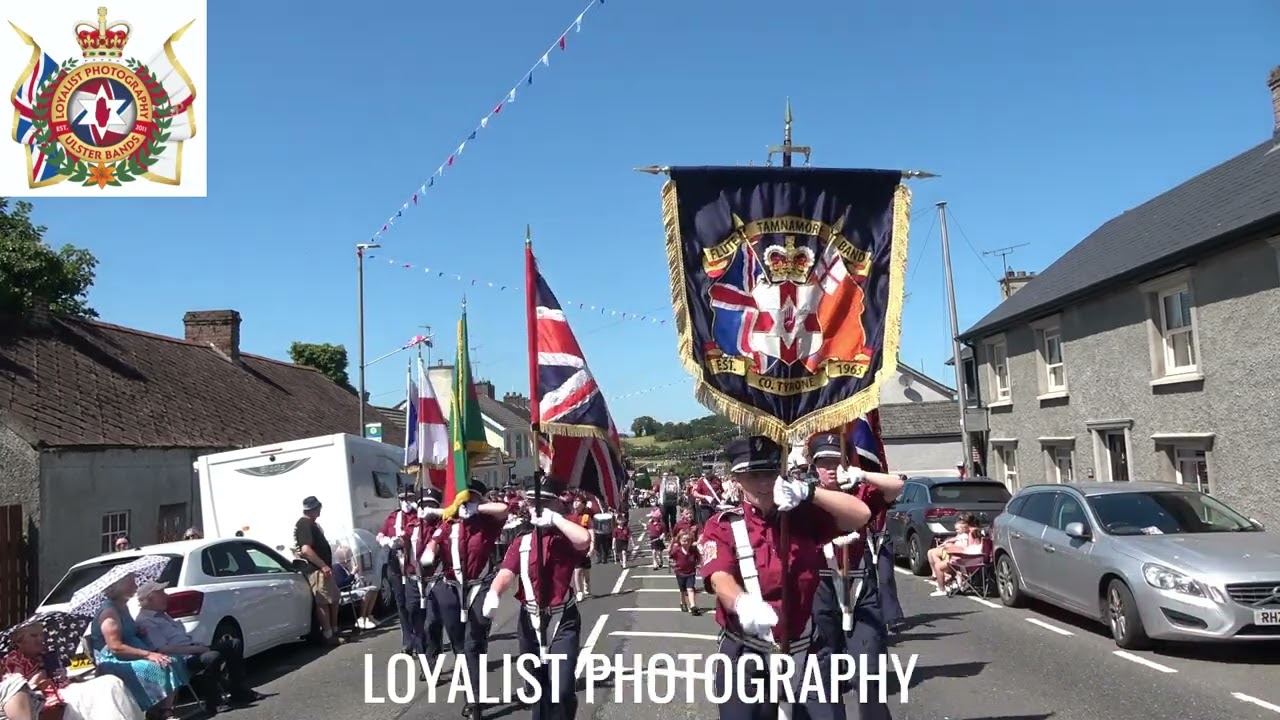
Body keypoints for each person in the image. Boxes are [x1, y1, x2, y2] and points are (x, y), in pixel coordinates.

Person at [699, 436, 872, 720]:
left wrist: (808, 491)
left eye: (769, 474)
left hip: (806, 650)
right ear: (737, 480)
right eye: (753, 476)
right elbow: (720, 578)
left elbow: (860, 515)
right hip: (747, 651)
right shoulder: (723, 525)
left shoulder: (801, 516)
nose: (764, 484)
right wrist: (742, 603)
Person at [805, 431, 905, 720]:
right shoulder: (804, 497)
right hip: (820, 588)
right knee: (825, 677)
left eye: (837, 460)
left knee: (869, 675)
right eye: (823, 462)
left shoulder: (859, 491)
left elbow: (897, 485)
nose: (830, 468)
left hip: (860, 587)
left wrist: (862, 475)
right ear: (813, 466)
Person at [483, 475, 591, 720]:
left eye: (543, 502)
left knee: (562, 689)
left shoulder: (565, 532)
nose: (535, 507)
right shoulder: (522, 539)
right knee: (536, 688)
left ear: (556, 504)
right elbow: (507, 572)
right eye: (532, 502)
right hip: (529, 620)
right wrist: (494, 593)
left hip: (562, 618)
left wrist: (556, 519)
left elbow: (584, 540)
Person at [421, 479, 508, 720]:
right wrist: (430, 553)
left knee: (472, 643)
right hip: (450, 589)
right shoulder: (450, 523)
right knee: (460, 646)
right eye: (464, 498)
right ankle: (471, 687)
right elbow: (434, 543)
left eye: (472, 498)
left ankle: (474, 701)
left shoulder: (487, 523)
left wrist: (478, 508)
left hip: (479, 588)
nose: (466, 502)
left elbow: (504, 510)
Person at [134, 580, 263, 713]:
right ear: (149, 599)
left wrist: (197, 646)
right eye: (161, 594)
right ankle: (213, 702)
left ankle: (238, 691)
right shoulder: (146, 621)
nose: (165, 596)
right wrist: (198, 649)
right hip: (181, 658)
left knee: (234, 644)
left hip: (193, 649)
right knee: (212, 657)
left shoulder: (163, 615)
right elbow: (163, 649)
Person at [88, 574, 188, 720]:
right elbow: (115, 647)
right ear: (119, 587)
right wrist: (148, 655)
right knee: (158, 666)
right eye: (131, 583)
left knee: (172, 660)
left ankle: (162, 709)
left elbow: (127, 631)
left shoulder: (123, 606)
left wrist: (137, 631)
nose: (135, 586)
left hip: (133, 651)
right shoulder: (109, 612)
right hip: (116, 660)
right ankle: (159, 712)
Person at [1, 620, 141, 720]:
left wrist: (62, 673)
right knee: (106, 688)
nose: (40, 639)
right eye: (33, 636)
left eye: (41, 635)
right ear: (19, 641)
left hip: (64, 690)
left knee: (112, 682)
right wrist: (38, 678)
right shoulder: (13, 661)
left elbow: (63, 679)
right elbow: (19, 690)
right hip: (46, 698)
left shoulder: (45, 657)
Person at [376, 488, 420, 652]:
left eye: (409, 498)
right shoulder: (393, 517)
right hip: (395, 564)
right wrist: (385, 540)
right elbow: (380, 534)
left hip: (413, 566)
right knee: (401, 603)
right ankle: (408, 640)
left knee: (413, 604)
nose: (406, 501)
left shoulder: (418, 516)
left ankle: (419, 637)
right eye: (402, 498)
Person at [294, 496, 342, 646]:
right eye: (318, 508)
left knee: (334, 597)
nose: (320, 511)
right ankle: (328, 635)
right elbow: (305, 549)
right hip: (316, 569)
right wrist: (323, 565)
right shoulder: (305, 524)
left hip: (322, 568)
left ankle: (333, 629)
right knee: (323, 601)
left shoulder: (311, 524)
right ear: (313, 510)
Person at [928, 513, 981, 596]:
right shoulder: (976, 532)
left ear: (965, 526)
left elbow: (962, 549)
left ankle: (942, 589)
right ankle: (946, 578)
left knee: (938, 566)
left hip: (964, 561)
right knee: (937, 554)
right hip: (979, 560)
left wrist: (949, 547)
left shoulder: (967, 536)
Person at [332, 543, 379, 630]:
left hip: (349, 589)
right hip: (342, 592)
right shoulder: (337, 568)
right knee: (367, 592)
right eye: (349, 557)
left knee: (374, 589)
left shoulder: (345, 567)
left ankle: (368, 615)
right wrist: (352, 573)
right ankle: (362, 617)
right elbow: (342, 584)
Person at [669, 528, 701, 615]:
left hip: (691, 572)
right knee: (682, 590)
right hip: (680, 572)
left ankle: (693, 606)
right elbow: (670, 557)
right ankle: (683, 603)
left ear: (691, 541)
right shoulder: (677, 550)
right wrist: (671, 562)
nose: (686, 543)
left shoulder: (693, 550)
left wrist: (698, 564)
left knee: (690, 589)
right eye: (684, 541)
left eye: (688, 541)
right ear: (679, 540)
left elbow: (699, 557)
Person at [568, 498, 593, 600]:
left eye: (578, 501)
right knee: (577, 571)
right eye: (575, 501)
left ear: (583, 504)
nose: (576, 503)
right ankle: (579, 591)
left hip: (585, 548)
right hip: (575, 549)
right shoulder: (569, 518)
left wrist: (592, 546)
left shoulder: (586, 517)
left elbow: (591, 531)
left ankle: (587, 585)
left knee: (586, 572)